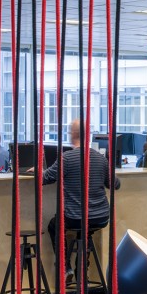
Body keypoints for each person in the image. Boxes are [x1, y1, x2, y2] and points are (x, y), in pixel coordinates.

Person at [41, 119, 121, 277]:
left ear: (73, 135)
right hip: (101, 217)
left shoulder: (67, 158)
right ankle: (82, 267)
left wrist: (37, 170)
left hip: (75, 217)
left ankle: (65, 267)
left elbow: (45, 179)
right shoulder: (100, 159)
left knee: (54, 225)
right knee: (85, 231)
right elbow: (115, 185)